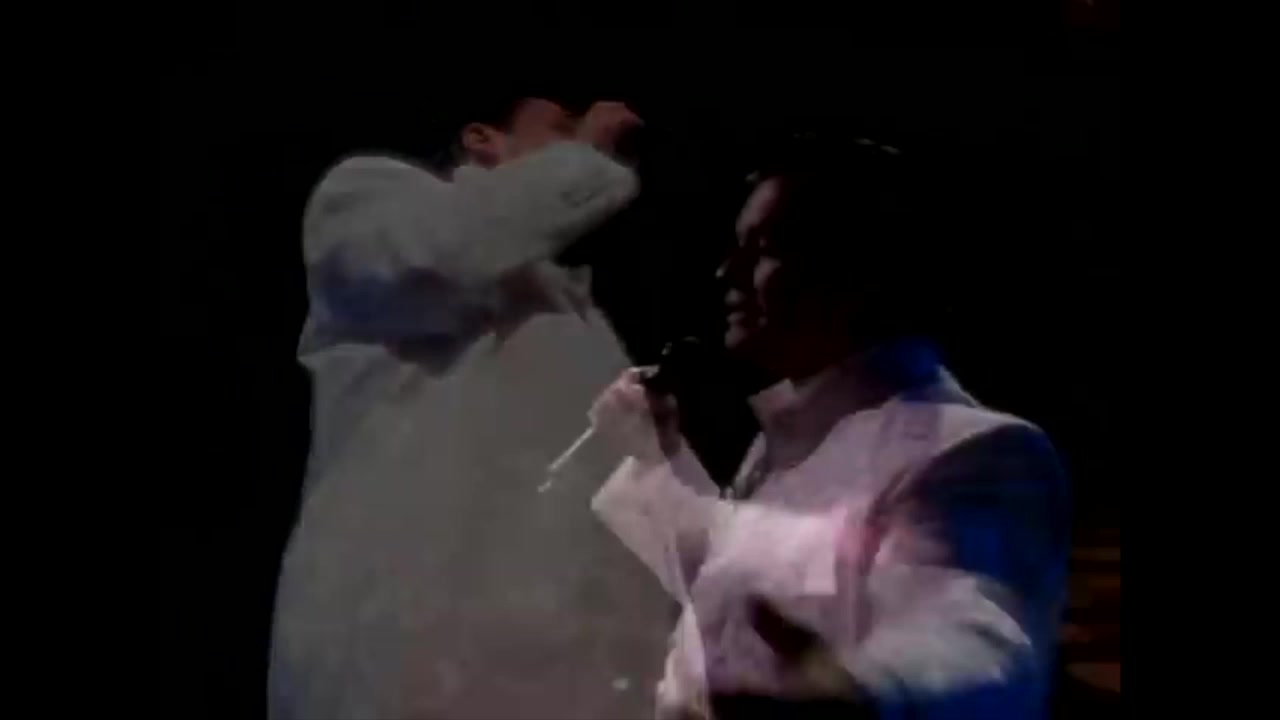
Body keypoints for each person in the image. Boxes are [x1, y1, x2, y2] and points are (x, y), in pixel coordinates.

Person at [589, 137, 1071, 719]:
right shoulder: (788, 438)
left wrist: (863, 690)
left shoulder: (977, 450)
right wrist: (653, 456)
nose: (726, 272)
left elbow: (976, 634)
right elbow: (729, 591)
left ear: (860, 268)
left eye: (763, 248)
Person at [270, 95, 675, 719]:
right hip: (424, 671)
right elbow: (444, 251)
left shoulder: (588, 329)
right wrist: (589, 156)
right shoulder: (369, 198)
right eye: (563, 127)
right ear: (483, 139)